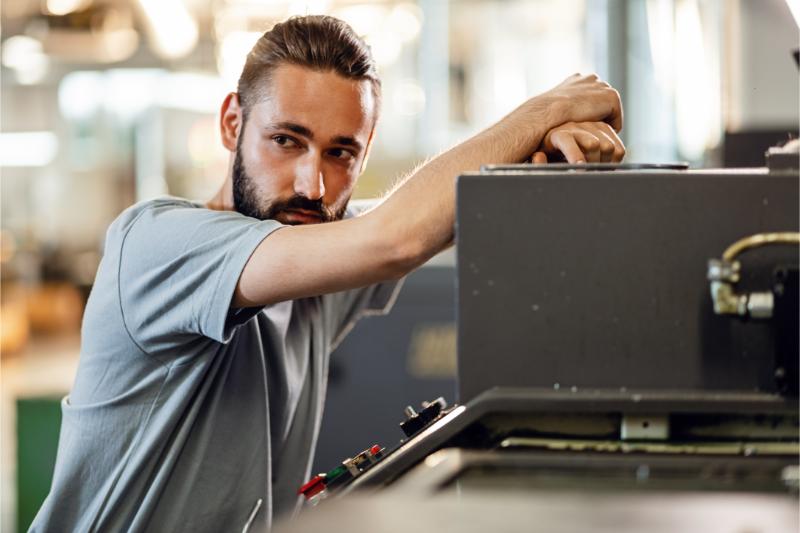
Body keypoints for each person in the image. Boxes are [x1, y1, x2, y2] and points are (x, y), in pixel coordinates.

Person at [31, 14, 624, 533]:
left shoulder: (314, 250)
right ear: (233, 124)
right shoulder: (159, 245)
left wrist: (552, 149)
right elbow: (394, 236)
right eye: (286, 140)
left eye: (341, 153)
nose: (311, 187)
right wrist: (547, 110)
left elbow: (444, 210)